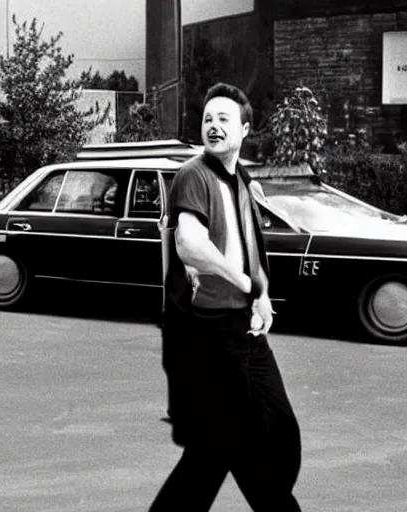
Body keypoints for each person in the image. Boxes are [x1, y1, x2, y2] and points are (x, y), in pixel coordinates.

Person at [150, 83, 302, 511]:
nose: (213, 127)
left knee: (276, 432)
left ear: (245, 128)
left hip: (246, 333)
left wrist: (263, 294)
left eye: (223, 119)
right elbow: (189, 244)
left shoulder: (242, 181)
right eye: (207, 120)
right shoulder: (194, 175)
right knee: (236, 447)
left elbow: (251, 246)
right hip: (209, 334)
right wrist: (243, 283)